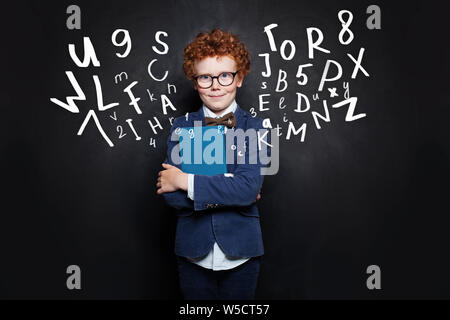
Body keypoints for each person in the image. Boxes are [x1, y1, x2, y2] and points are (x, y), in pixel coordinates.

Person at [156, 28, 268, 300]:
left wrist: (186, 181)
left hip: (242, 252)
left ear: (239, 78)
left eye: (224, 76)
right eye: (205, 77)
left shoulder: (253, 128)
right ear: (195, 83)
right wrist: (235, 191)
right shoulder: (181, 127)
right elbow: (171, 198)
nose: (215, 85)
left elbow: (247, 187)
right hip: (192, 253)